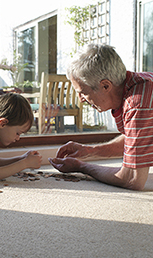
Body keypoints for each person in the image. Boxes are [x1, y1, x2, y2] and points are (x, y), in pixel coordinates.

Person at [49, 43, 153, 191]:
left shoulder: (137, 104)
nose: (81, 99)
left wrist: (82, 167)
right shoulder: (139, 82)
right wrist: (90, 151)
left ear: (105, 86)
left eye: (83, 92)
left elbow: (132, 180)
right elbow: (138, 139)